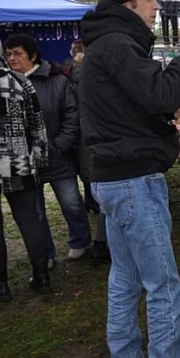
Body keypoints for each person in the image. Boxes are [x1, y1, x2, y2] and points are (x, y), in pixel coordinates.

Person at [79, 0, 180, 358]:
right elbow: (158, 93)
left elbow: (134, 103)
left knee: (124, 279)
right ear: (131, 3)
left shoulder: (105, 44)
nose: (157, 7)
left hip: (113, 175)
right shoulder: (118, 43)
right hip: (133, 179)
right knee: (162, 285)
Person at [0, 25, 50, 300]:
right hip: (19, 163)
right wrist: (40, 158)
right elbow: (37, 125)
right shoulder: (18, 80)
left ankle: (0, 287)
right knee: (28, 220)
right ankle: (42, 277)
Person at [5, 34, 91, 268]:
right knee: (36, 212)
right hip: (25, 159)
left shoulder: (56, 81)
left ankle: (80, 241)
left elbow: (72, 115)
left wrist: (60, 144)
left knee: (72, 202)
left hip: (57, 155)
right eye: (9, 54)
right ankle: (46, 252)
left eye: (17, 53)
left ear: (32, 56)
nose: (12, 58)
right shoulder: (6, 84)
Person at [67, 40, 110, 265]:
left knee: (97, 186)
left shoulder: (70, 76)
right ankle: (102, 244)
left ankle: (100, 243)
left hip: (84, 139)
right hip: (101, 138)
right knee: (109, 190)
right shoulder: (98, 74)